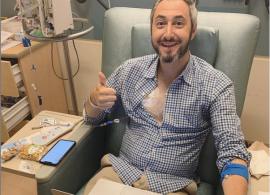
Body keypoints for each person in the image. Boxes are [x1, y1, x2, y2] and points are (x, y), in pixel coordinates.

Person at [83, 0, 251, 194]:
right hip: (118, 174)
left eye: (178, 23)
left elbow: (232, 152)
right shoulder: (129, 71)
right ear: (152, 29)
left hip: (172, 186)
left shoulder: (216, 85)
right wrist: (94, 102)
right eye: (160, 23)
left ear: (193, 30)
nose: (168, 33)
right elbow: (90, 118)